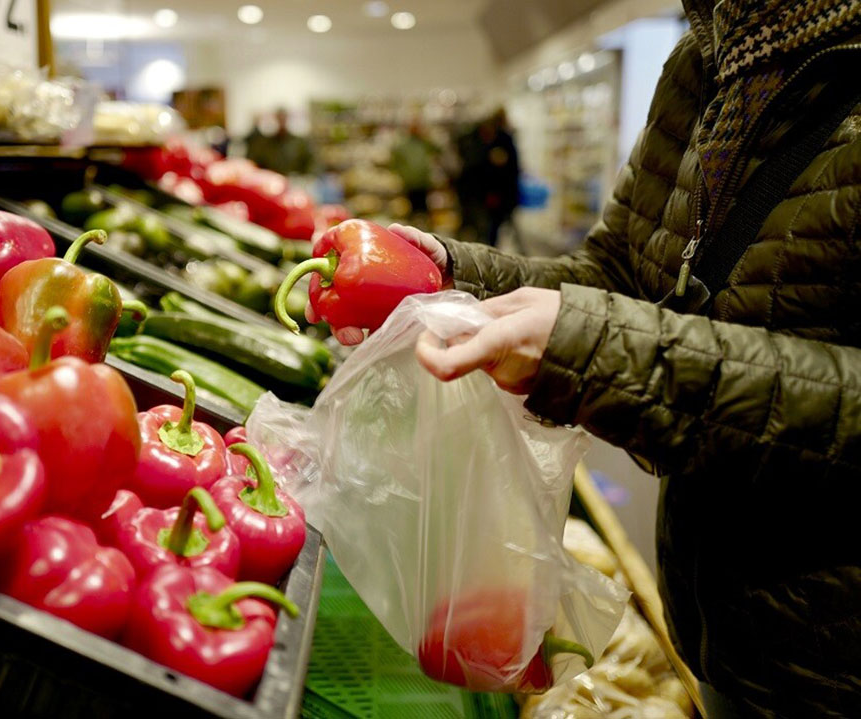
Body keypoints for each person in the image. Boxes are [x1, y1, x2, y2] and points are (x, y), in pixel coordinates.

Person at [318, 1, 861, 716]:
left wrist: (594, 345)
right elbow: (621, 271)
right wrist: (446, 280)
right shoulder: (711, 56)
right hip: (731, 625)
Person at [457, 107, 520, 245]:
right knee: (484, 229)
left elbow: (511, 169)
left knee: (490, 230)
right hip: (483, 194)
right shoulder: (476, 141)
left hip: (495, 194)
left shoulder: (501, 140)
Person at [390, 117, 438, 216]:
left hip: (423, 181)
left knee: (424, 207)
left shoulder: (424, 142)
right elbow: (395, 163)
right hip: (410, 182)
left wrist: (427, 137)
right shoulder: (402, 145)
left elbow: (438, 150)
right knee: (412, 207)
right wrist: (401, 175)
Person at [250, 107, 313, 176]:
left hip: (294, 181)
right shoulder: (264, 144)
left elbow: (311, 162)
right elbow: (254, 162)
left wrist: (306, 177)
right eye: (279, 119)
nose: (281, 122)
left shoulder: (300, 143)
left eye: (283, 119)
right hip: (271, 181)